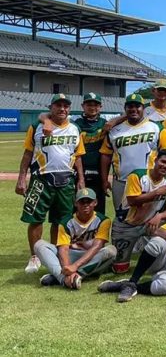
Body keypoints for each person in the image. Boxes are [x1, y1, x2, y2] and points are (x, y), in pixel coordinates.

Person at [18, 93, 86, 274]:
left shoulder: (75, 128)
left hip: (66, 180)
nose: (62, 109)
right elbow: (27, 154)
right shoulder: (37, 127)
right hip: (41, 179)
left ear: (69, 109)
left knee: (61, 221)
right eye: (58, 105)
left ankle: (56, 252)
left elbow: (78, 156)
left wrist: (81, 180)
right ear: (51, 108)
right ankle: (35, 256)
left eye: (65, 106)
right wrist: (21, 178)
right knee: (35, 219)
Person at [100, 93, 166, 220]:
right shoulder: (114, 130)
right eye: (130, 106)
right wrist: (104, 179)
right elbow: (105, 155)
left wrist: (163, 179)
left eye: (137, 106)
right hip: (122, 181)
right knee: (122, 218)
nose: (133, 109)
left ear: (143, 109)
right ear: (125, 109)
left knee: (149, 218)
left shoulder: (156, 127)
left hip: (149, 182)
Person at [111, 150, 166, 273]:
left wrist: (160, 216)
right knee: (119, 269)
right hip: (126, 225)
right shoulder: (137, 175)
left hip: (149, 224)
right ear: (155, 160)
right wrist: (156, 193)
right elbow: (132, 201)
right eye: (163, 162)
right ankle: (134, 247)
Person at [34, 188, 116, 289]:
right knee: (39, 245)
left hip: (91, 257)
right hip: (71, 255)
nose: (85, 205)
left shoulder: (103, 220)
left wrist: (75, 267)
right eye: (82, 202)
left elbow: (97, 246)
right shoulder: (66, 222)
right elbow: (63, 249)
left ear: (95, 203)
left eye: (89, 201)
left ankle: (68, 275)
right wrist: (69, 268)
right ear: (75, 203)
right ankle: (65, 278)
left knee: (111, 251)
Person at [71, 93, 108, 214]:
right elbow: (46, 115)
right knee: (78, 207)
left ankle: (98, 232)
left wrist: (105, 179)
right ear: (83, 106)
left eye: (96, 105)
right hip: (78, 172)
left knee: (98, 207)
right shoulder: (75, 124)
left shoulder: (105, 124)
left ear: (100, 107)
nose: (92, 107)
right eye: (89, 104)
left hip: (99, 171)